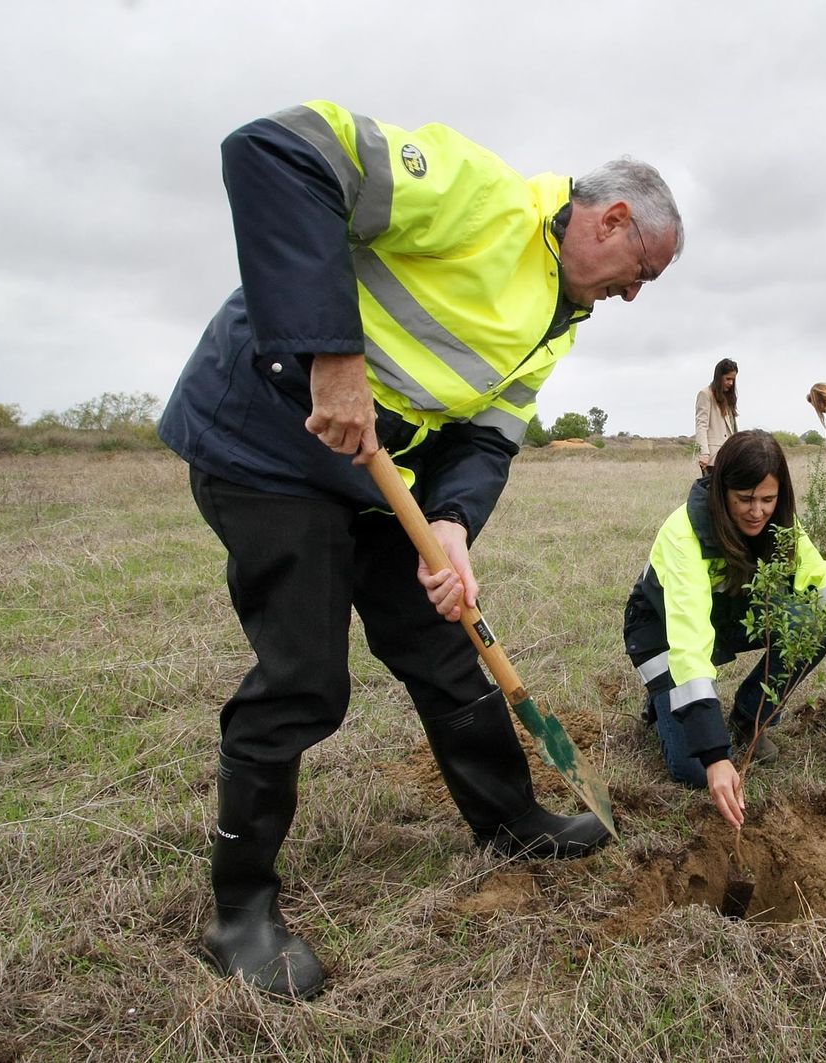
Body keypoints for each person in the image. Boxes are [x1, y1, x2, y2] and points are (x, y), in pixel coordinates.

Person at [157, 100, 683, 998]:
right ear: (612, 219)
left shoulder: (560, 315)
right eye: (638, 273)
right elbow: (277, 151)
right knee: (305, 677)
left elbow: (488, 432)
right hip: (266, 443)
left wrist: (451, 526)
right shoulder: (474, 192)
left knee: (447, 643)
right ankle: (239, 911)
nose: (631, 296)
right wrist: (331, 355)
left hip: (375, 476)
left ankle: (512, 819)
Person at [623, 430, 826, 828]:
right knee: (696, 772)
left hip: (729, 614)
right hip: (662, 631)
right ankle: (665, 700)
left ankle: (749, 719)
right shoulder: (686, 535)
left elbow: (817, 571)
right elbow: (689, 643)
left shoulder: (780, 522)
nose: (757, 511)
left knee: (812, 621)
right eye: (745, 499)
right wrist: (717, 756)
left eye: (767, 500)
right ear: (722, 491)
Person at [695, 358, 738, 472]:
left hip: (730, 456)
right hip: (712, 458)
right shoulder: (705, 394)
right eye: (728, 379)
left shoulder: (728, 397)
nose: (731, 383)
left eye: (733, 380)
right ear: (719, 376)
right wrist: (704, 453)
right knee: (711, 489)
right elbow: (701, 425)